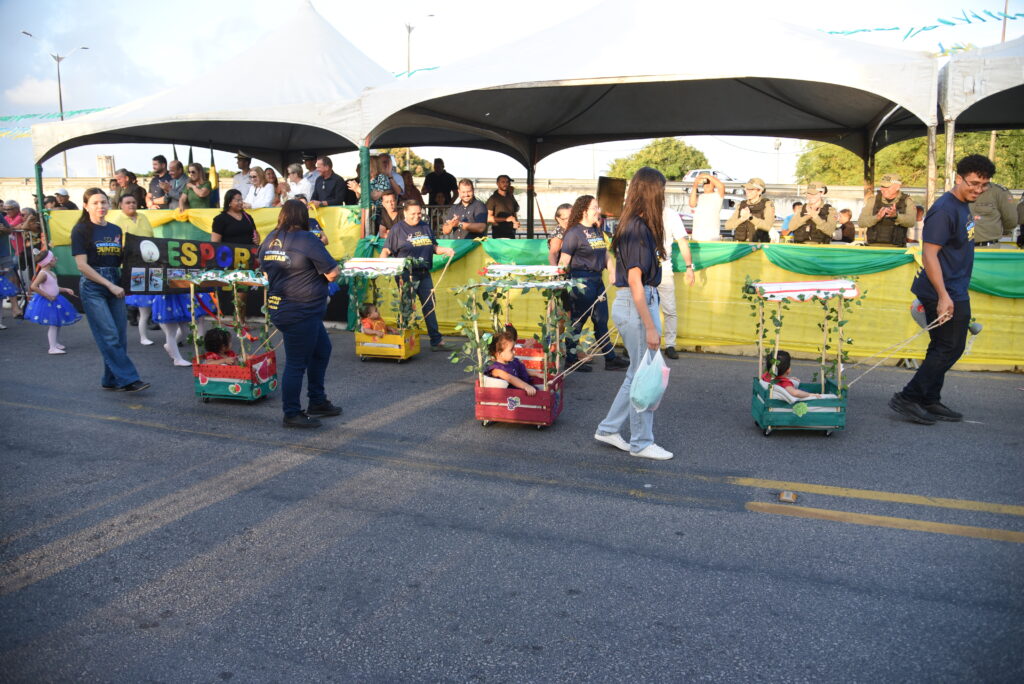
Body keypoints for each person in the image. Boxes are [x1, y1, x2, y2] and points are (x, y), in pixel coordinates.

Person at [889, 154, 995, 425]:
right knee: (949, 346)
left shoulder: (963, 204)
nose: (978, 189)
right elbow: (930, 255)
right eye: (973, 183)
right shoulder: (945, 209)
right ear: (958, 179)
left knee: (944, 346)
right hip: (942, 289)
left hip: (954, 286)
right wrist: (943, 296)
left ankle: (928, 398)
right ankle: (909, 397)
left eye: (984, 185)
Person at [594, 167, 672, 461]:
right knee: (644, 376)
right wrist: (651, 327)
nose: (663, 196)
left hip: (634, 303)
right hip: (637, 304)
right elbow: (636, 280)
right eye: (661, 191)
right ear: (652, 192)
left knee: (635, 374)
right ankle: (641, 442)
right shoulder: (638, 227)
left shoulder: (632, 224)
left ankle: (609, 428)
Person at [259, 199, 342, 428]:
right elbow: (332, 273)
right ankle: (291, 413)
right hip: (301, 309)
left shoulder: (269, 239)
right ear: (303, 217)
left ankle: (317, 400)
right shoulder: (306, 239)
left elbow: (265, 274)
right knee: (296, 363)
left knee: (322, 350)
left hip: (282, 306)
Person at [71, 188, 148, 392]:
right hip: (94, 286)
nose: (100, 206)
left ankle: (110, 379)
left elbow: (119, 259)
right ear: (86, 206)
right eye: (95, 203)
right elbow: (81, 266)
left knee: (119, 336)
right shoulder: (80, 230)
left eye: (104, 202)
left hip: (115, 280)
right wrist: (109, 285)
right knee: (109, 335)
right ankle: (129, 379)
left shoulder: (114, 229)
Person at [558, 195, 629, 373]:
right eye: (594, 208)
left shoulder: (597, 230)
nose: (598, 211)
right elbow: (563, 260)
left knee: (601, 319)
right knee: (577, 321)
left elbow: (605, 254)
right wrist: (559, 283)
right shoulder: (574, 233)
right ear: (584, 211)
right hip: (581, 280)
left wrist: (612, 270)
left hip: (597, 280)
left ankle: (610, 359)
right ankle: (572, 359)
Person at [380, 199, 456, 351]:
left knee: (429, 305)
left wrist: (446, 250)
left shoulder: (425, 227)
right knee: (406, 307)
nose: (417, 216)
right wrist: (381, 264)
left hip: (424, 272)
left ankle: (436, 341)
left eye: (419, 213)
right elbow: (387, 250)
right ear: (405, 213)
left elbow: (433, 247)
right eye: (413, 213)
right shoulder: (397, 229)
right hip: (406, 275)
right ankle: (403, 340)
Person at [25, 250, 82, 354]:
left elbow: (54, 287)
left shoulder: (50, 272)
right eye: (53, 258)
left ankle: (55, 343)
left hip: (55, 299)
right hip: (48, 301)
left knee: (57, 323)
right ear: (48, 261)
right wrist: (47, 295)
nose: (56, 259)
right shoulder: (43, 274)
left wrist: (65, 289)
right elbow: (33, 286)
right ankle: (52, 347)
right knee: (53, 324)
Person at [118, 194, 157, 345]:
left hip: (150, 265)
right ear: (121, 205)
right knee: (141, 303)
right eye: (128, 202)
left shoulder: (144, 217)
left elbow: (152, 239)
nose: (132, 205)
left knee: (153, 297)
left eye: (134, 202)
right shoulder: (117, 222)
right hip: (133, 268)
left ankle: (155, 323)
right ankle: (142, 335)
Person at [658, 204, 695, 359]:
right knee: (640, 308)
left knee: (670, 309)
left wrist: (689, 267)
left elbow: (682, 240)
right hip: (642, 268)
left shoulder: (670, 214)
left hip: (663, 267)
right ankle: (637, 343)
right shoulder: (638, 209)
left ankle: (670, 345)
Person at [859, 174, 915, 247]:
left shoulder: (907, 201)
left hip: (897, 250)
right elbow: (861, 222)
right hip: (873, 248)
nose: (882, 189)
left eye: (887, 187)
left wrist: (896, 216)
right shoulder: (872, 200)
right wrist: (876, 218)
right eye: (882, 186)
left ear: (897, 187)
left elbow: (911, 222)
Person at [486, 327, 537, 396]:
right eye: (511, 350)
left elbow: (523, 370)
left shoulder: (512, 362)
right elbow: (510, 378)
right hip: (512, 398)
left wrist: (537, 374)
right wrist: (526, 386)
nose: (514, 351)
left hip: (523, 391)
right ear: (499, 354)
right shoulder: (497, 369)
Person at [761, 351, 833, 399]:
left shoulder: (767, 375)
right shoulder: (785, 383)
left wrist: (788, 378)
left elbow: (778, 378)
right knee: (806, 391)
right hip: (781, 403)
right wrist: (810, 395)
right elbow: (795, 393)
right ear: (788, 370)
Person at [725, 178, 774, 242]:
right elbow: (727, 226)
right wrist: (741, 219)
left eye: (751, 189)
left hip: (759, 246)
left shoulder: (767, 204)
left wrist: (750, 217)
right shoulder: (741, 205)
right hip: (742, 246)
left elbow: (767, 227)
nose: (747, 191)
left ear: (759, 191)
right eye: (746, 189)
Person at [969, 182, 1016, 247]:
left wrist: (1005, 231)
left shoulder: (998, 192)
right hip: (959, 247)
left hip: (986, 248)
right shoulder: (959, 190)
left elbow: (1011, 219)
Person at [688, 172, 725, 241]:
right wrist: (695, 185)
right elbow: (692, 204)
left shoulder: (717, 195)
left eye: (709, 183)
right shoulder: (700, 196)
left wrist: (707, 176)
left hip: (712, 235)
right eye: (705, 183)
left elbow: (721, 186)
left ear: (714, 185)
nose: (707, 185)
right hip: (697, 234)